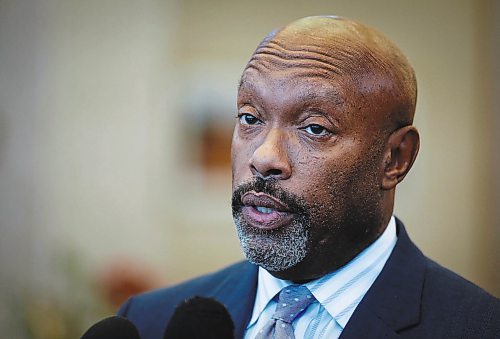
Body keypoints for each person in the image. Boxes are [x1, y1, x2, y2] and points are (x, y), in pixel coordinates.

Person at [118, 16, 499, 338]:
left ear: (395, 158)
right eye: (250, 118)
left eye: (315, 128)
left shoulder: (478, 326)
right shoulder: (148, 321)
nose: (264, 158)